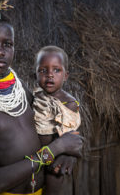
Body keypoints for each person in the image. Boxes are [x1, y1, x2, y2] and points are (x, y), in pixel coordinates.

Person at [0, 6, 83, 195]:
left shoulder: (18, 85)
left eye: (7, 44)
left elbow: (55, 127)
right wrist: (53, 151)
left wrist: (68, 153)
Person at [32, 46, 81, 194]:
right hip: (35, 154)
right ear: (35, 74)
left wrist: (68, 154)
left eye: (56, 70)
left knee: (53, 183)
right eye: (43, 70)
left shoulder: (69, 103)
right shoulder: (35, 97)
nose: (50, 75)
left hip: (56, 157)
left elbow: (72, 135)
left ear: (66, 75)